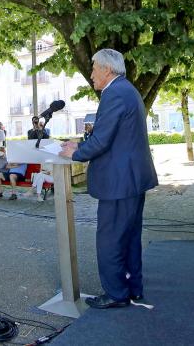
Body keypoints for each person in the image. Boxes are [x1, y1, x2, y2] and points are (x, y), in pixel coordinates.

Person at [60, 49, 158, 309]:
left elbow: (102, 140)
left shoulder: (113, 93)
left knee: (111, 240)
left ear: (106, 69)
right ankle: (133, 289)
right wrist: (80, 144)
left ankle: (116, 294)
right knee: (129, 238)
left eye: (94, 68)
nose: (91, 74)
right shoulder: (127, 90)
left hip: (119, 183)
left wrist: (75, 153)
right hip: (132, 179)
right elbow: (116, 136)